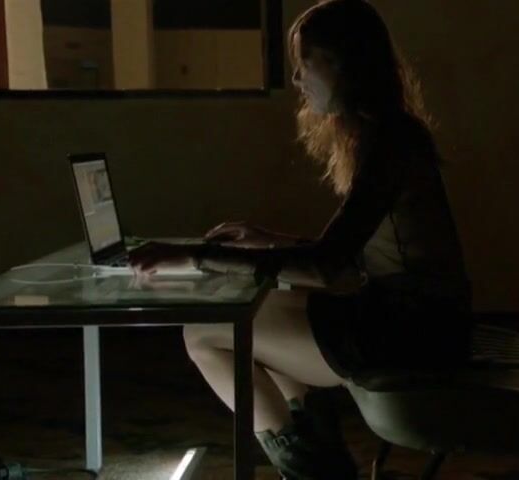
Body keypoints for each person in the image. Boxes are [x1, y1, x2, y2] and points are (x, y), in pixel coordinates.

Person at [130, 1, 474, 478]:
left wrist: (198, 256)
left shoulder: (389, 141)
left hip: (411, 335)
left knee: (203, 334)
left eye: (304, 62)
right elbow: (347, 254)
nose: (296, 78)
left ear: (341, 62)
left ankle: (313, 472)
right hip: (414, 322)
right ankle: (324, 464)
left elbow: (327, 266)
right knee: (255, 319)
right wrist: (266, 240)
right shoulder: (389, 133)